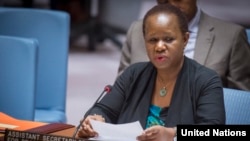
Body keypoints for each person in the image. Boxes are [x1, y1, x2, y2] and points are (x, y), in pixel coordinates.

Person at [77, 4, 225, 141]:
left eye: (168, 39)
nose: (159, 47)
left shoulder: (206, 80)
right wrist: (96, 120)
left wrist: (173, 134)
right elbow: (103, 109)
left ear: (185, 39)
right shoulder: (133, 74)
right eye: (152, 40)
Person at [118, 0, 250, 91]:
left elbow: (241, 104)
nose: (172, 5)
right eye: (163, 2)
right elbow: (120, 90)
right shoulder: (137, 30)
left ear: (186, 38)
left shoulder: (232, 36)